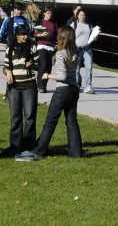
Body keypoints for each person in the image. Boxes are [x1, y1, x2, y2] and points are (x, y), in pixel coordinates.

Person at [16, 26, 83, 161]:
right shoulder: (75, 52)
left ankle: (39, 151)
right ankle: (76, 152)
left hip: (62, 90)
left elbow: (62, 76)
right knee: (72, 122)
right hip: (73, 89)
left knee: (50, 122)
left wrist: (47, 75)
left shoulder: (61, 54)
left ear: (62, 37)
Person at [1, 24, 41, 159]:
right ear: (17, 35)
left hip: (29, 85)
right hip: (14, 87)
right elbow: (5, 67)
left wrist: (32, 64)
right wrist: (8, 72)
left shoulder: (32, 47)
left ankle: (28, 145)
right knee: (15, 117)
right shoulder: (10, 48)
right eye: (23, 34)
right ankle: (15, 145)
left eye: (26, 34)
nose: (25, 37)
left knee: (30, 116)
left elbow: (39, 65)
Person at [71, 9, 95, 94]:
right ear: (77, 16)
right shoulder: (74, 25)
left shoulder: (89, 25)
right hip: (77, 49)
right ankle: (76, 86)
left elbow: (93, 36)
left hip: (87, 49)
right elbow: (70, 36)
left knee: (89, 68)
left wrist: (95, 37)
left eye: (83, 15)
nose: (82, 17)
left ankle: (88, 87)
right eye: (80, 15)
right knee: (76, 69)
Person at [35, 6, 58, 93]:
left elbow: (56, 35)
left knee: (48, 66)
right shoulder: (40, 22)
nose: (49, 15)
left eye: (51, 13)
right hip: (41, 45)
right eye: (48, 13)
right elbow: (34, 34)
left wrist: (57, 42)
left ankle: (44, 86)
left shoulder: (54, 23)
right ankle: (39, 84)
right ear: (44, 13)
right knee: (43, 63)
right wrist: (40, 35)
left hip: (50, 46)